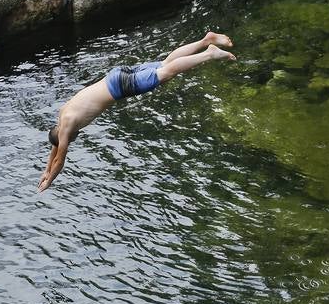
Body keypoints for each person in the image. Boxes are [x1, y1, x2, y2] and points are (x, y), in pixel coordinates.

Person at [38, 32, 236, 191]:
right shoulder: (63, 116)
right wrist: (45, 172)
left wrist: (49, 181)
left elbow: (60, 160)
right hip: (114, 75)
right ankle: (206, 40)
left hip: (120, 87)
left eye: (72, 139)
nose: (75, 137)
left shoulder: (68, 127)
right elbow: (54, 151)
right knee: (164, 64)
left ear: (65, 135)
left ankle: (209, 53)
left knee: (167, 73)